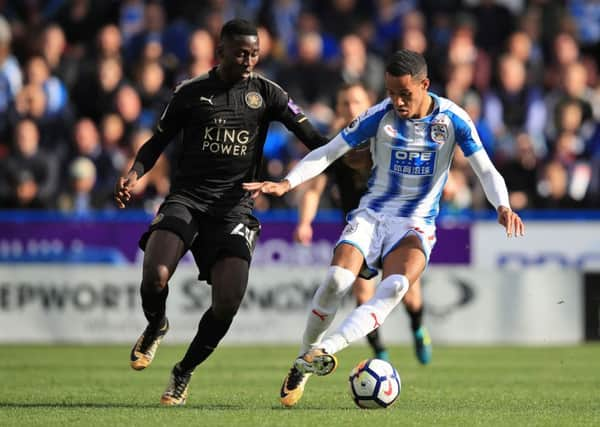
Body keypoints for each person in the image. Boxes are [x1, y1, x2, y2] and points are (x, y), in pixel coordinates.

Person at [243, 49, 525, 408]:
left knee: (394, 287)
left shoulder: (453, 119)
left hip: (416, 224)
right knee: (336, 282)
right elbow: (328, 152)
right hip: (371, 216)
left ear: (425, 85)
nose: (397, 101)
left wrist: (502, 205)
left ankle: (325, 351)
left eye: (405, 93)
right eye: (391, 93)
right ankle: (303, 358)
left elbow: (484, 168)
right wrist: (287, 182)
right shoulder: (379, 116)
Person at [114, 19, 328, 406]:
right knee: (155, 277)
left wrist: (350, 150)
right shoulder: (191, 92)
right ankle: (156, 325)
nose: (248, 60)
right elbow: (156, 142)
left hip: (235, 209)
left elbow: (314, 139)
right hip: (187, 199)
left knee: (227, 302)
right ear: (221, 51)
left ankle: (184, 371)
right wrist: (134, 173)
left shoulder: (268, 94)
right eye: (241, 52)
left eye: (254, 53)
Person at [294, 81, 432, 365]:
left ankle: (418, 328)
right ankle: (379, 353)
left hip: (396, 227)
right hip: (362, 231)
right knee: (362, 293)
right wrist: (305, 222)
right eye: (345, 103)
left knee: (409, 295)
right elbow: (315, 188)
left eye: (356, 102)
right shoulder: (338, 144)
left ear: (369, 103)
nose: (350, 108)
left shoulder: (388, 135)